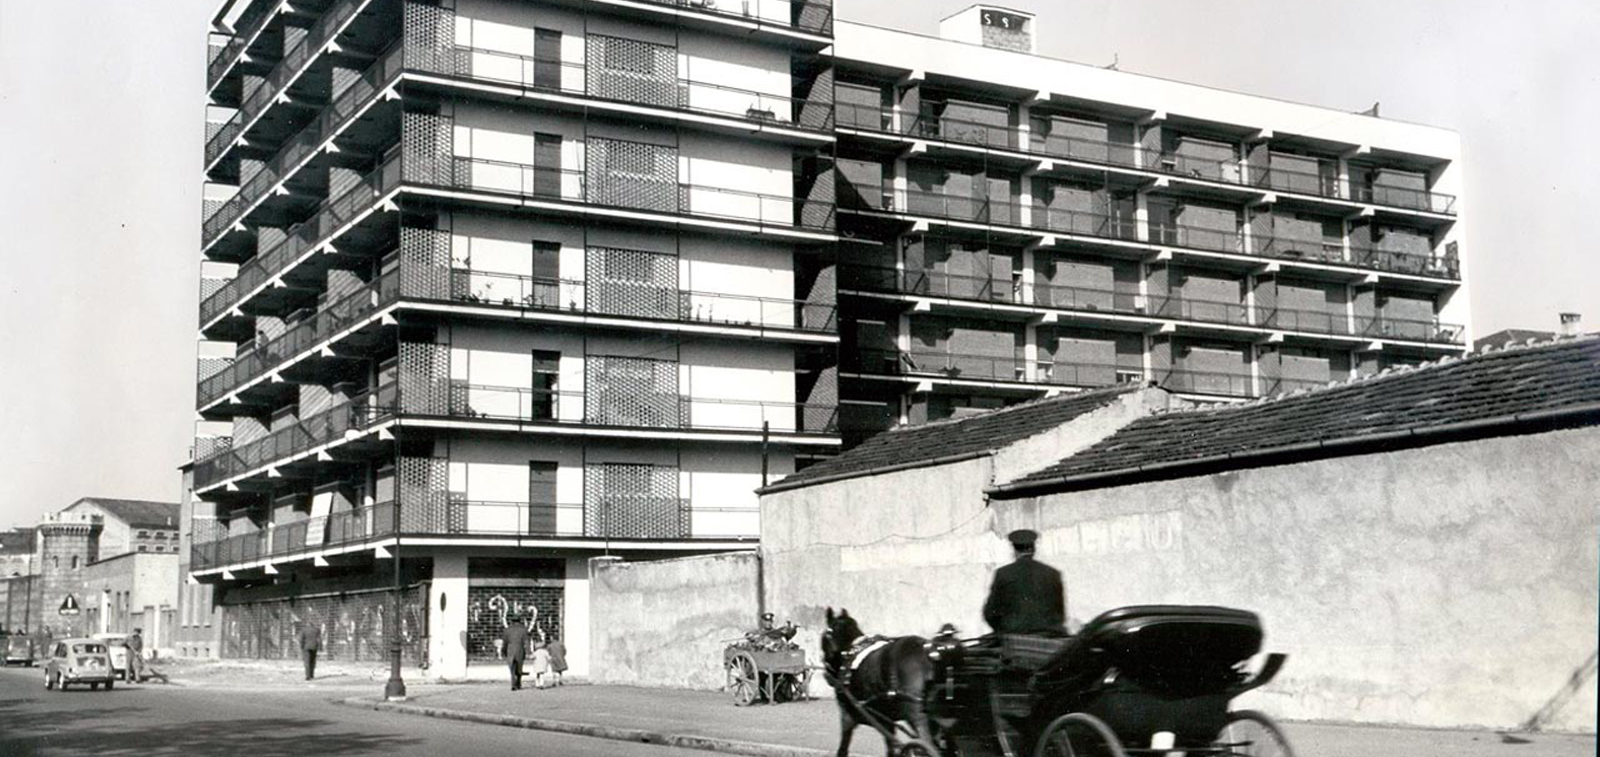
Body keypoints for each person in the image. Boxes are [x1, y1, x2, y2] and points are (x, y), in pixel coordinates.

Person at [982, 529, 1066, 636]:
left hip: (1015, 639)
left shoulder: (1003, 574)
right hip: (1049, 638)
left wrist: (1003, 630)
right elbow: (1060, 614)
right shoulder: (1053, 573)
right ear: (1034, 549)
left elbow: (990, 613)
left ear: (1014, 550)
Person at [502, 612, 530, 691]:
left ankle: (513, 683)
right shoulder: (523, 630)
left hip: (510, 650)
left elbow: (505, 642)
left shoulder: (507, 630)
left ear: (512, 621)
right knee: (519, 667)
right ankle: (518, 683)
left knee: (512, 668)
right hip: (520, 649)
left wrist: (503, 651)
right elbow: (526, 641)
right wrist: (528, 651)